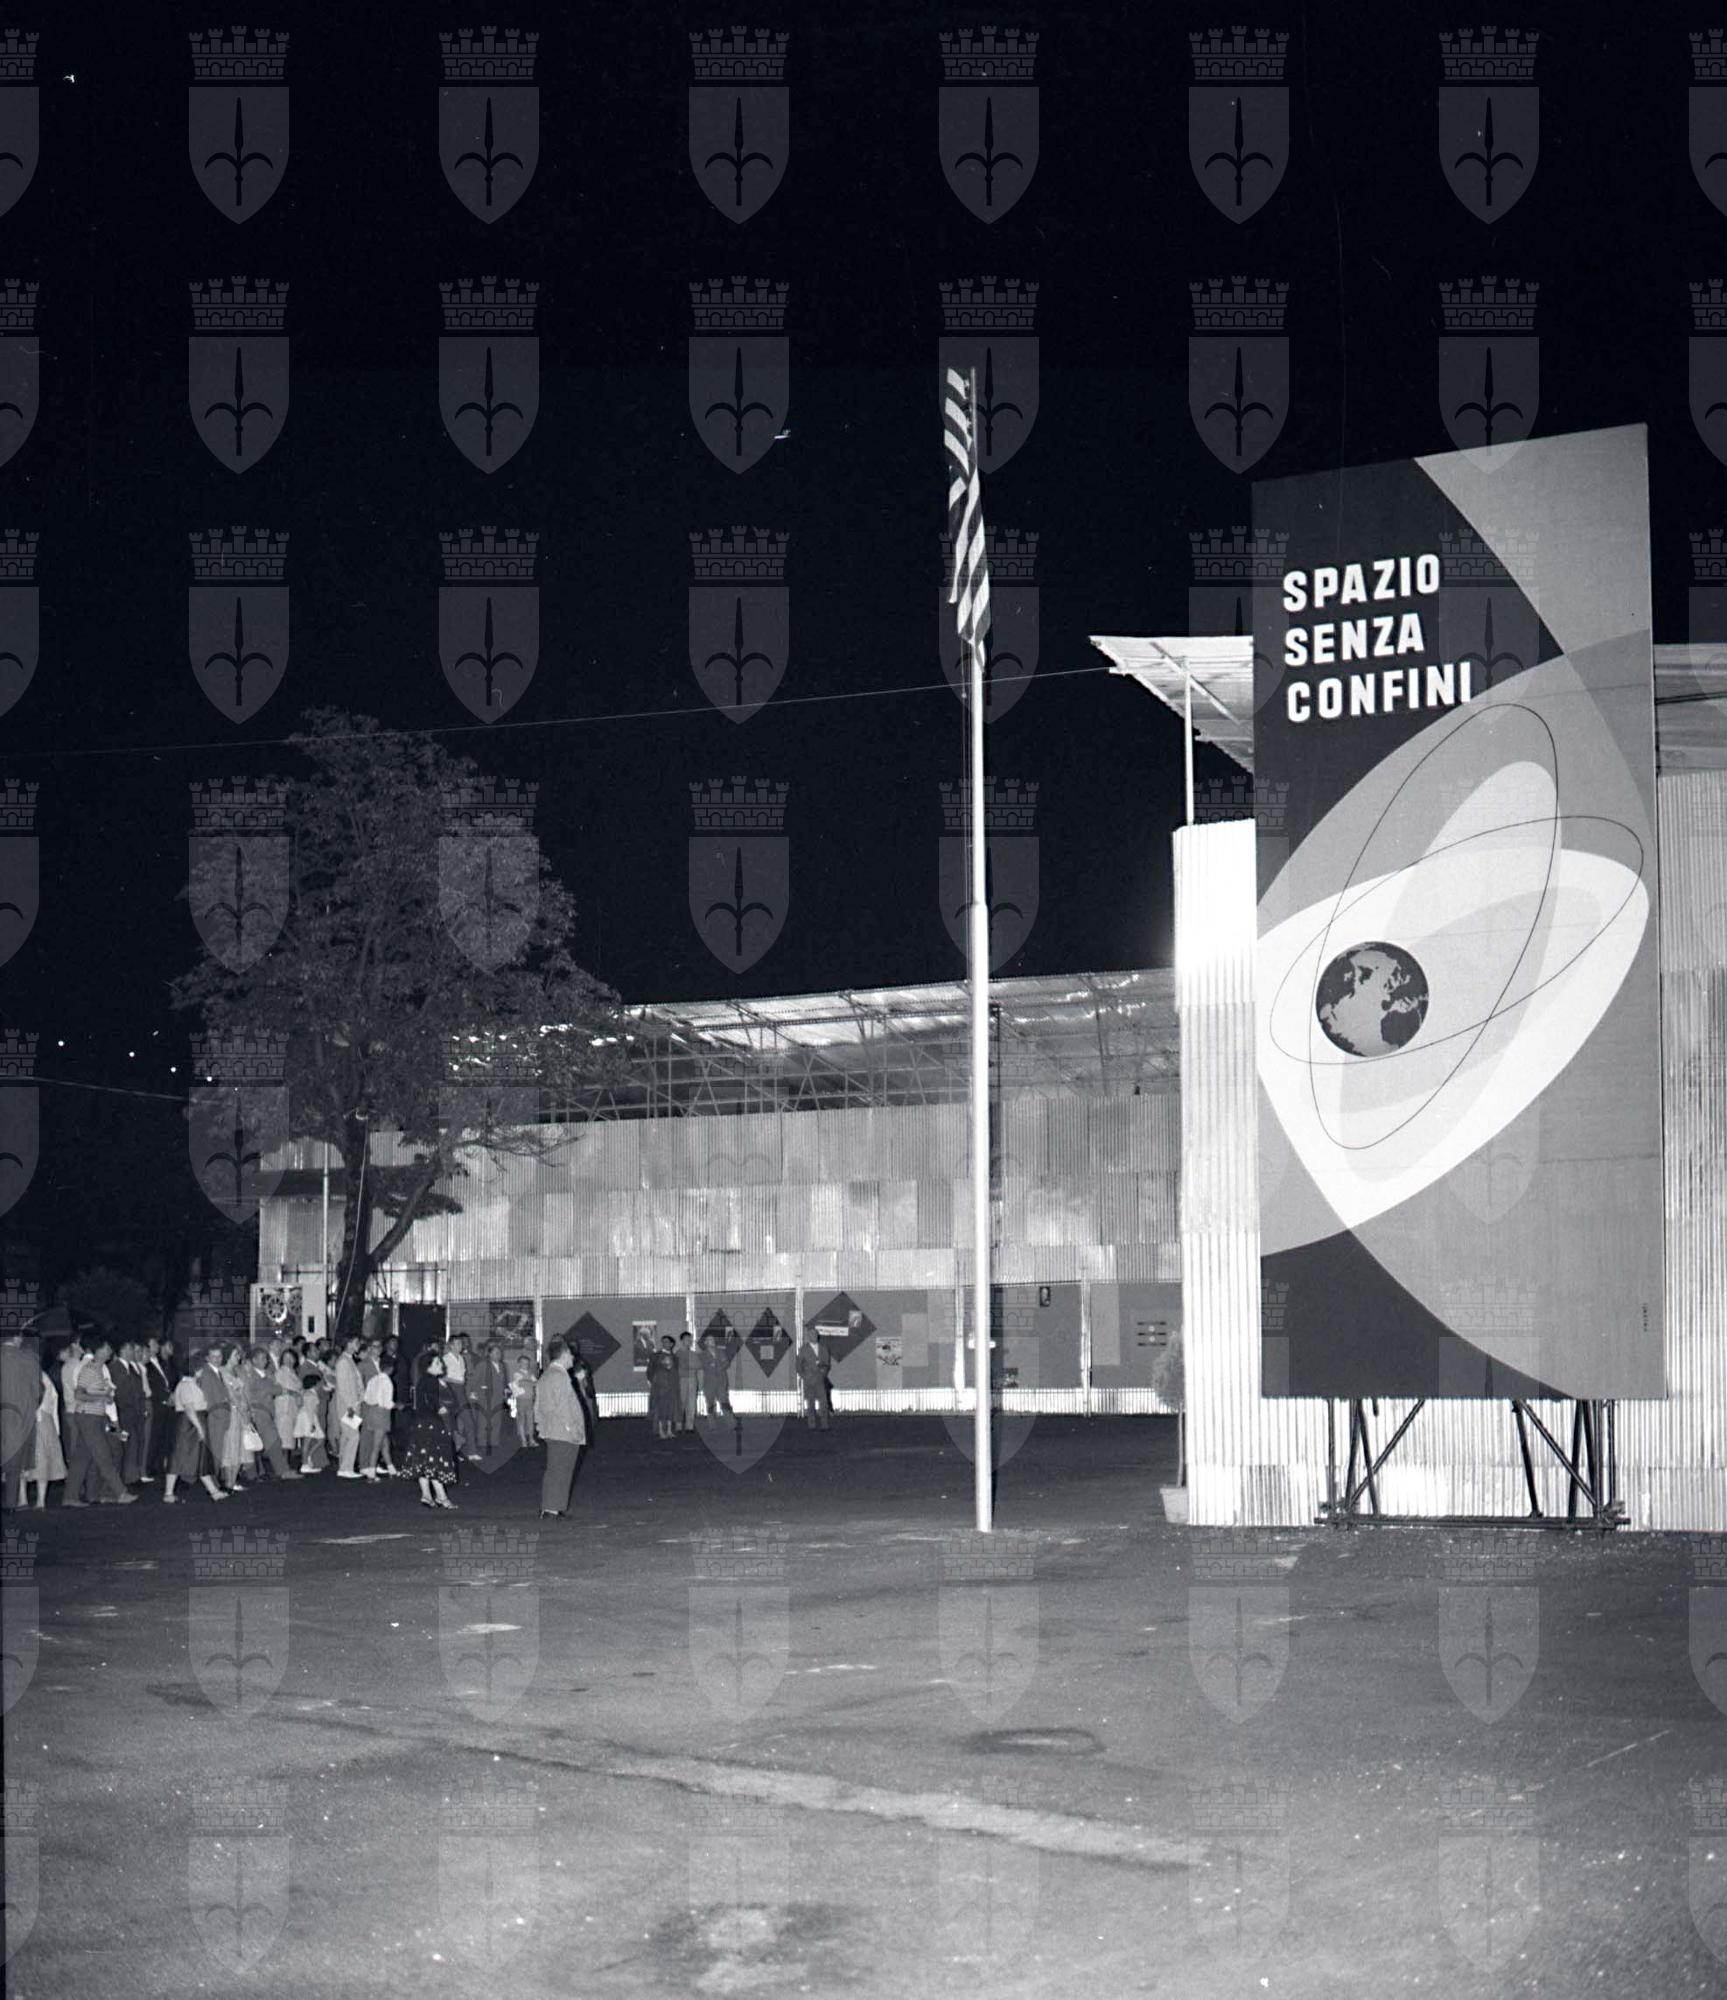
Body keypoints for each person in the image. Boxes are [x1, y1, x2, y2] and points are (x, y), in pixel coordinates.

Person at [65, 1341, 134, 1505]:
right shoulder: (89, 1370)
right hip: (88, 1417)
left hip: (96, 1417)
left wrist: (105, 1397)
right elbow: (79, 1395)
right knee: (104, 1456)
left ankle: (70, 1497)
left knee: (81, 1458)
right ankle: (121, 1493)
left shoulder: (100, 1369)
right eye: (107, 1348)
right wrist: (102, 1397)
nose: (110, 1351)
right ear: (98, 1351)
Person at [162, 1351, 229, 1505]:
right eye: (202, 1368)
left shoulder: (191, 1383)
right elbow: (189, 1408)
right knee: (180, 1457)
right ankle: (169, 1493)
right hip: (188, 1424)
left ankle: (213, 1491)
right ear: (196, 1369)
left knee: (198, 1457)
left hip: (193, 1422)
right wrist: (199, 1428)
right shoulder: (186, 1385)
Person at [535, 1339, 587, 1519]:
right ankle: (552, 1509)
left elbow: (538, 1405)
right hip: (563, 1431)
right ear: (564, 1355)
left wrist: (540, 1426)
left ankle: (551, 1507)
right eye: (570, 1354)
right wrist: (572, 1429)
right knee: (562, 1470)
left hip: (551, 1429)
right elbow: (564, 1407)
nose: (572, 1357)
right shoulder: (560, 1376)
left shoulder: (546, 1375)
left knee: (555, 1469)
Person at [403, 1350, 459, 1508]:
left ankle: (427, 1495)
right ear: (428, 1367)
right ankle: (442, 1497)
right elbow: (433, 1401)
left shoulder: (422, 1381)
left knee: (424, 1460)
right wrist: (440, 1408)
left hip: (420, 1423)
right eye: (437, 1363)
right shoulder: (432, 1381)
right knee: (435, 1460)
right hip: (432, 1424)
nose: (441, 1365)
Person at [0, 1325, 42, 1510]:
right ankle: (10, 1503)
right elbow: (38, 1390)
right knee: (13, 1463)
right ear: (18, 1337)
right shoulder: (29, 1358)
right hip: (20, 1416)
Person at [243, 1346, 299, 1480]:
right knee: (270, 1442)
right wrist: (286, 1391)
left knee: (267, 1443)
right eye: (263, 1358)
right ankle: (281, 1471)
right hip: (258, 1413)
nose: (266, 1361)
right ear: (254, 1360)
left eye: (266, 1358)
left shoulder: (266, 1374)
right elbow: (271, 1390)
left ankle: (261, 1473)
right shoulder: (251, 1376)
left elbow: (275, 1388)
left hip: (267, 1412)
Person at [22, 1364, 66, 1507]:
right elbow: (53, 1399)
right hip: (41, 1418)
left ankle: (26, 1499)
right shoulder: (42, 1375)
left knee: (32, 1459)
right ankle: (37, 1500)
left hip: (33, 1419)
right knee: (39, 1459)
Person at [112, 1340, 150, 1486]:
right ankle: (125, 1478)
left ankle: (131, 1476)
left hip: (134, 1413)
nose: (132, 1352)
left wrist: (141, 1408)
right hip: (124, 1414)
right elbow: (121, 1393)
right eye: (129, 1349)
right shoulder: (116, 1367)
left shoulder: (131, 1368)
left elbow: (138, 1390)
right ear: (122, 1351)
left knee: (134, 1444)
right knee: (124, 1445)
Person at [357, 1345, 395, 1482]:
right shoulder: (387, 1382)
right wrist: (397, 1405)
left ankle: (391, 1468)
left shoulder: (373, 1380)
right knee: (377, 1445)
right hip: (381, 1414)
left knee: (384, 1443)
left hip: (371, 1413)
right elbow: (386, 1402)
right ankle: (371, 1473)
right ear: (391, 1368)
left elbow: (366, 1398)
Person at [330, 1335, 365, 1479]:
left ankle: (343, 1467)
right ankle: (346, 1467)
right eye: (356, 1342)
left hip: (352, 1405)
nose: (358, 1345)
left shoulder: (349, 1360)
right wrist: (351, 1406)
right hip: (348, 1407)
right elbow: (344, 1388)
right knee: (353, 1436)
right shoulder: (343, 1362)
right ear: (349, 1343)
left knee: (347, 1436)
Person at [144, 1337, 176, 1481]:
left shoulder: (161, 1363)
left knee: (163, 1437)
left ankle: (158, 1466)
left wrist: (172, 1396)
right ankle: (149, 1467)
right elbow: (152, 1386)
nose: (156, 1346)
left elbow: (166, 1382)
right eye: (153, 1344)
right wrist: (165, 1397)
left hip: (167, 1405)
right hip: (157, 1404)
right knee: (154, 1437)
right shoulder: (146, 1365)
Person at [797, 1332, 833, 1431]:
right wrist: (804, 1376)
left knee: (824, 1403)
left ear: (817, 1336)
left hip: (820, 1379)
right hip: (809, 1381)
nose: (814, 1336)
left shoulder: (823, 1349)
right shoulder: (803, 1349)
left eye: (815, 1335)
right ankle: (811, 1425)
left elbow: (827, 1364)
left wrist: (823, 1373)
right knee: (811, 1403)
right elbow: (798, 1366)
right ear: (809, 1337)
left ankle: (825, 1424)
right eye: (812, 1335)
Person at [647, 1334, 680, 1440]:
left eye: (667, 1342)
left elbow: (676, 1372)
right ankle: (661, 1430)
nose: (664, 1344)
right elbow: (649, 1371)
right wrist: (654, 1382)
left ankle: (669, 1430)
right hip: (660, 1387)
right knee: (661, 1408)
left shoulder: (675, 1358)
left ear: (672, 1344)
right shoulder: (655, 1356)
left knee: (671, 1408)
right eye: (663, 1342)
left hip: (672, 1386)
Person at [698, 1332, 734, 1425]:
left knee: (724, 1402)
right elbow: (704, 1365)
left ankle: (731, 1423)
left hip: (721, 1382)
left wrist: (717, 1366)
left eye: (713, 1339)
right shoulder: (702, 1355)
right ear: (705, 1342)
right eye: (710, 1339)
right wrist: (717, 1365)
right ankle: (712, 1424)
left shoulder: (721, 1351)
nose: (712, 1341)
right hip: (709, 1383)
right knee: (710, 1404)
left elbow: (726, 1363)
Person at [294, 1370, 326, 1472]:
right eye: (319, 1383)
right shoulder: (311, 1395)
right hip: (308, 1418)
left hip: (307, 1417)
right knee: (308, 1442)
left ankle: (307, 1458)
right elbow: (310, 1410)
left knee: (317, 1439)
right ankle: (304, 1464)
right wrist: (312, 1423)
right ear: (315, 1384)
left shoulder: (305, 1393)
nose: (321, 1385)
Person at [509, 1350, 538, 1447]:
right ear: (519, 1364)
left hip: (530, 1399)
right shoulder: (516, 1373)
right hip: (521, 1399)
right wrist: (529, 1382)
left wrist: (526, 1381)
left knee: (530, 1420)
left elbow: (536, 1383)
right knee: (521, 1420)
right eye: (523, 1363)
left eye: (527, 1363)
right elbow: (518, 1382)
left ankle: (531, 1439)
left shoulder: (530, 1373)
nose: (526, 1365)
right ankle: (523, 1440)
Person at [675, 1330, 700, 1433]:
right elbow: (678, 1367)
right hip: (681, 1380)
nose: (689, 1341)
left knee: (691, 1403)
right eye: (687, 1339)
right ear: (681, 1341)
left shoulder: (694, 1354)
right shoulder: (677, 1354)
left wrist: (689, 1366)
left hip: (692, 1379)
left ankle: (690, 1426)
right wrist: (689, 1366)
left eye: (690, 1339)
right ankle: (678, 1426)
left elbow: (698, 1365)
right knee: (680, 1403)